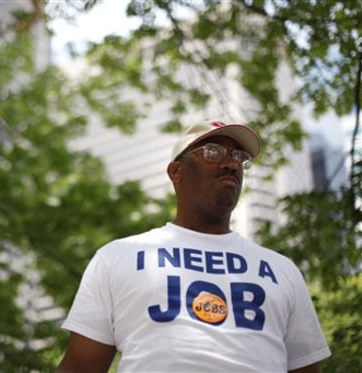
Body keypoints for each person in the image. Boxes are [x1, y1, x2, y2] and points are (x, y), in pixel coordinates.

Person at [57, 121, 331, 372]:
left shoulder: (282, 270)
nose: (231, 164)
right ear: (176, 171)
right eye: (213, 152)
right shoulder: (118, 257)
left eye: (239, 158)